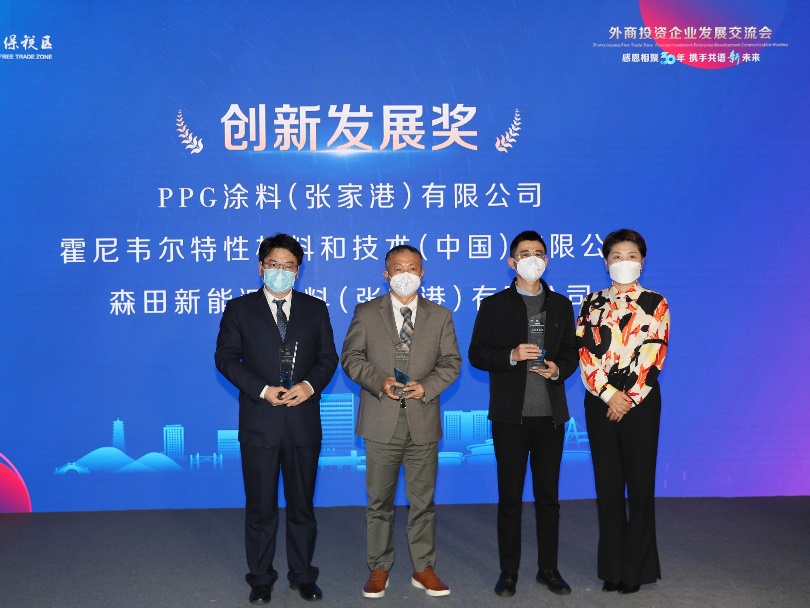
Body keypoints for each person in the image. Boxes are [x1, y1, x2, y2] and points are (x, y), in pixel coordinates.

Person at [215, 234, 338, 605]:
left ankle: (303, 576)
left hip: (302, 422)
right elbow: (225, 358)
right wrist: (263, 389)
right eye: (273, 264)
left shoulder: (315, 309)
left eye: (288, 266)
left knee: (302, 507)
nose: (280, 271)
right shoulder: (239, 309)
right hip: (260, 422)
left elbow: (328, 358)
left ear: (298, 271)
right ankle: (260, 578)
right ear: (260, 267)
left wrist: (309, 386)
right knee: (260, 508)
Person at [341, 245, 462, 599]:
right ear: (386, 274)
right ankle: (379, 567)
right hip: (381, 420)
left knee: (423, 502)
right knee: (379, 501)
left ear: (422, 273)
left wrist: (428, 386)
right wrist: (379, 381)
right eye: (398, 268)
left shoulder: (440, 315)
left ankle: (423, 567)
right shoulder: (366, 312)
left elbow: (451, 362)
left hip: (423, 420)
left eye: (412, 268)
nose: (405, 274)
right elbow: (351, 357)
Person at [468, 230, 579, 598]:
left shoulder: (561, 305)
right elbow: (477, 354)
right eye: (525, 253)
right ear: (512, 261)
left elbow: (571, 353)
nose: (533, 258)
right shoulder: (494, 305)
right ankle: (509, 571)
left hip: (550, 417)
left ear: (547, 259)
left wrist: (559, 369)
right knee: (510, 497)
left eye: (539, 253)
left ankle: (549, 569)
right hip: (510, 418)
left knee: (548, 498)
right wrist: (512, 355)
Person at [576, 228, 670, 594]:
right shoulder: (591, 303)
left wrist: (627, 397)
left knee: (640, 488)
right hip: (600, 402)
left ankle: (636, 570)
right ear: (606, 263)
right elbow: (586, 354)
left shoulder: (656, 302)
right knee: (608, 487)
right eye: (616, 256)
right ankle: (612, 568)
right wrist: (608, 394)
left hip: (640, 402)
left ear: (642, 261)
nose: (624, 262)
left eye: (631, 256)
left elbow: (654, 353)